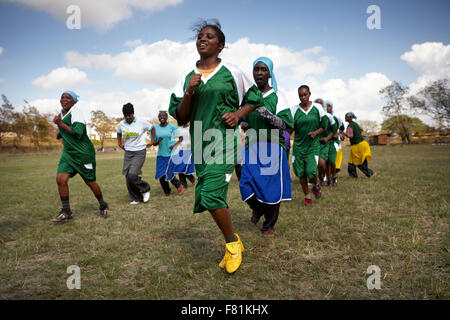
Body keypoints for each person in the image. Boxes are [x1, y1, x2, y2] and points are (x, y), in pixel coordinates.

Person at [168, 19, 264, 274]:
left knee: (211, 194)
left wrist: (239, 113)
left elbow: (254, 98)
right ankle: (233, 241)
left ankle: (233, 244)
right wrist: (189, 91)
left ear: (220, 45)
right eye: (200, 36)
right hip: (200, 141)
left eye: (210, 36)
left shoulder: (233, 71)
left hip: (225, 139)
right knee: (209, 194)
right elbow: (181, 116)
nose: (203, 39)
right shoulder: (187, 77)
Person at [239, 56, 291, 237]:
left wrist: (260, 108)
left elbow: (284, 125)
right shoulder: (248, 95)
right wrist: (244, 123)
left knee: (271, 189)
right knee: (245, 184)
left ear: (270, 73)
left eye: (263, 70)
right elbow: (244, 119)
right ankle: (258, 208)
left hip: (273, 146)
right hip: (252, 146)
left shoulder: (277, 96)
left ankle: (268, 225)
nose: (259, 73)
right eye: (256, 69)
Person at [52, 90, 108, 222]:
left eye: (68, 98)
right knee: (61, 179)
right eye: (62, 97)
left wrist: (60, 124)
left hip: (83, 154)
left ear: (74, 101)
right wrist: (60, 132)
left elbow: (78, 132)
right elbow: (66, 129)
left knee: (90, 182)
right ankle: (66, 211)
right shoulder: (61, 114)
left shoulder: (76, 112)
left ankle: (102, 204)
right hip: (69, 153)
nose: (64, 99)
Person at [278, 86, 328, 206]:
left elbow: (324, 125)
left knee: (311, 171)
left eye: (305, 95)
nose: (303, 97)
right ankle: (307, 196)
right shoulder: (294, 110)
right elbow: (290, 128)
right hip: (299, 146)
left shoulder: (317, 108)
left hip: (312, 145)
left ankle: (316, 185)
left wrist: (315, 133)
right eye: (301, 95)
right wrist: (285, 138)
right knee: (300, 173)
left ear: (309, 94)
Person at [117, 103, 152, 204]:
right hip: (128, 152)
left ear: (133, 113)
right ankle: (137, 198)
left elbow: (152, 128)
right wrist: (119, 143)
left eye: (130, 115)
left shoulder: (141, 122)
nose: (128, 117)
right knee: (128, 176)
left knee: (132, 175)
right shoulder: (121, 124)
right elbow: (118, 133)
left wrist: (152, 141)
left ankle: (145, 188)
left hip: (140, 151)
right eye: (126, 115)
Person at [150, 111, 183, 196]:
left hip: (171, 154)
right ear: (158, 118)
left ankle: (178, 185)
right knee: (161, 174)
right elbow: (153, 143)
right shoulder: (155, 128)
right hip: (161, 154)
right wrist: (158, 140)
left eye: (164, 116)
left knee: (169, 173)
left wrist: (174, 145)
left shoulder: (173, 127)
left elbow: (181, 138)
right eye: (160, 116)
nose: (162, 118)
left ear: (167, 117)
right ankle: (167, 191)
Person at [343, 112, 376, 178]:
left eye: (346, 117)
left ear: (350, 118)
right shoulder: (355, 124)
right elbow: (361, 130)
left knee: (359, 162)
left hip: (358, 145)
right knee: (351, 162)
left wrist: (342, 133)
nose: (345, 118)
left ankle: (370, 173)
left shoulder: (350, 126)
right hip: (358, 145)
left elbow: (350, 136)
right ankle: (353, 176)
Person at [166, 123, 196, 188]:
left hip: (190, 150)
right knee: (179, 167)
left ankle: (192, 180)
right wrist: (174, 146)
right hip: (181, 150)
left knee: (185, 167)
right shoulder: (179, 129)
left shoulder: (192, 128)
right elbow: (180, 139)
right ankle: (184, 184)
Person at [315, 99, 337, 186]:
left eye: (321, 104)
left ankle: (323, 177)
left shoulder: (328, 116)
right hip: (313, 144)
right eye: (317, 104)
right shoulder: (311, 116)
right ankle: (318, 180)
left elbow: (334, 129)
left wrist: (327, 138)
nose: (319, 105)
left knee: (322, 163)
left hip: (324, 144)